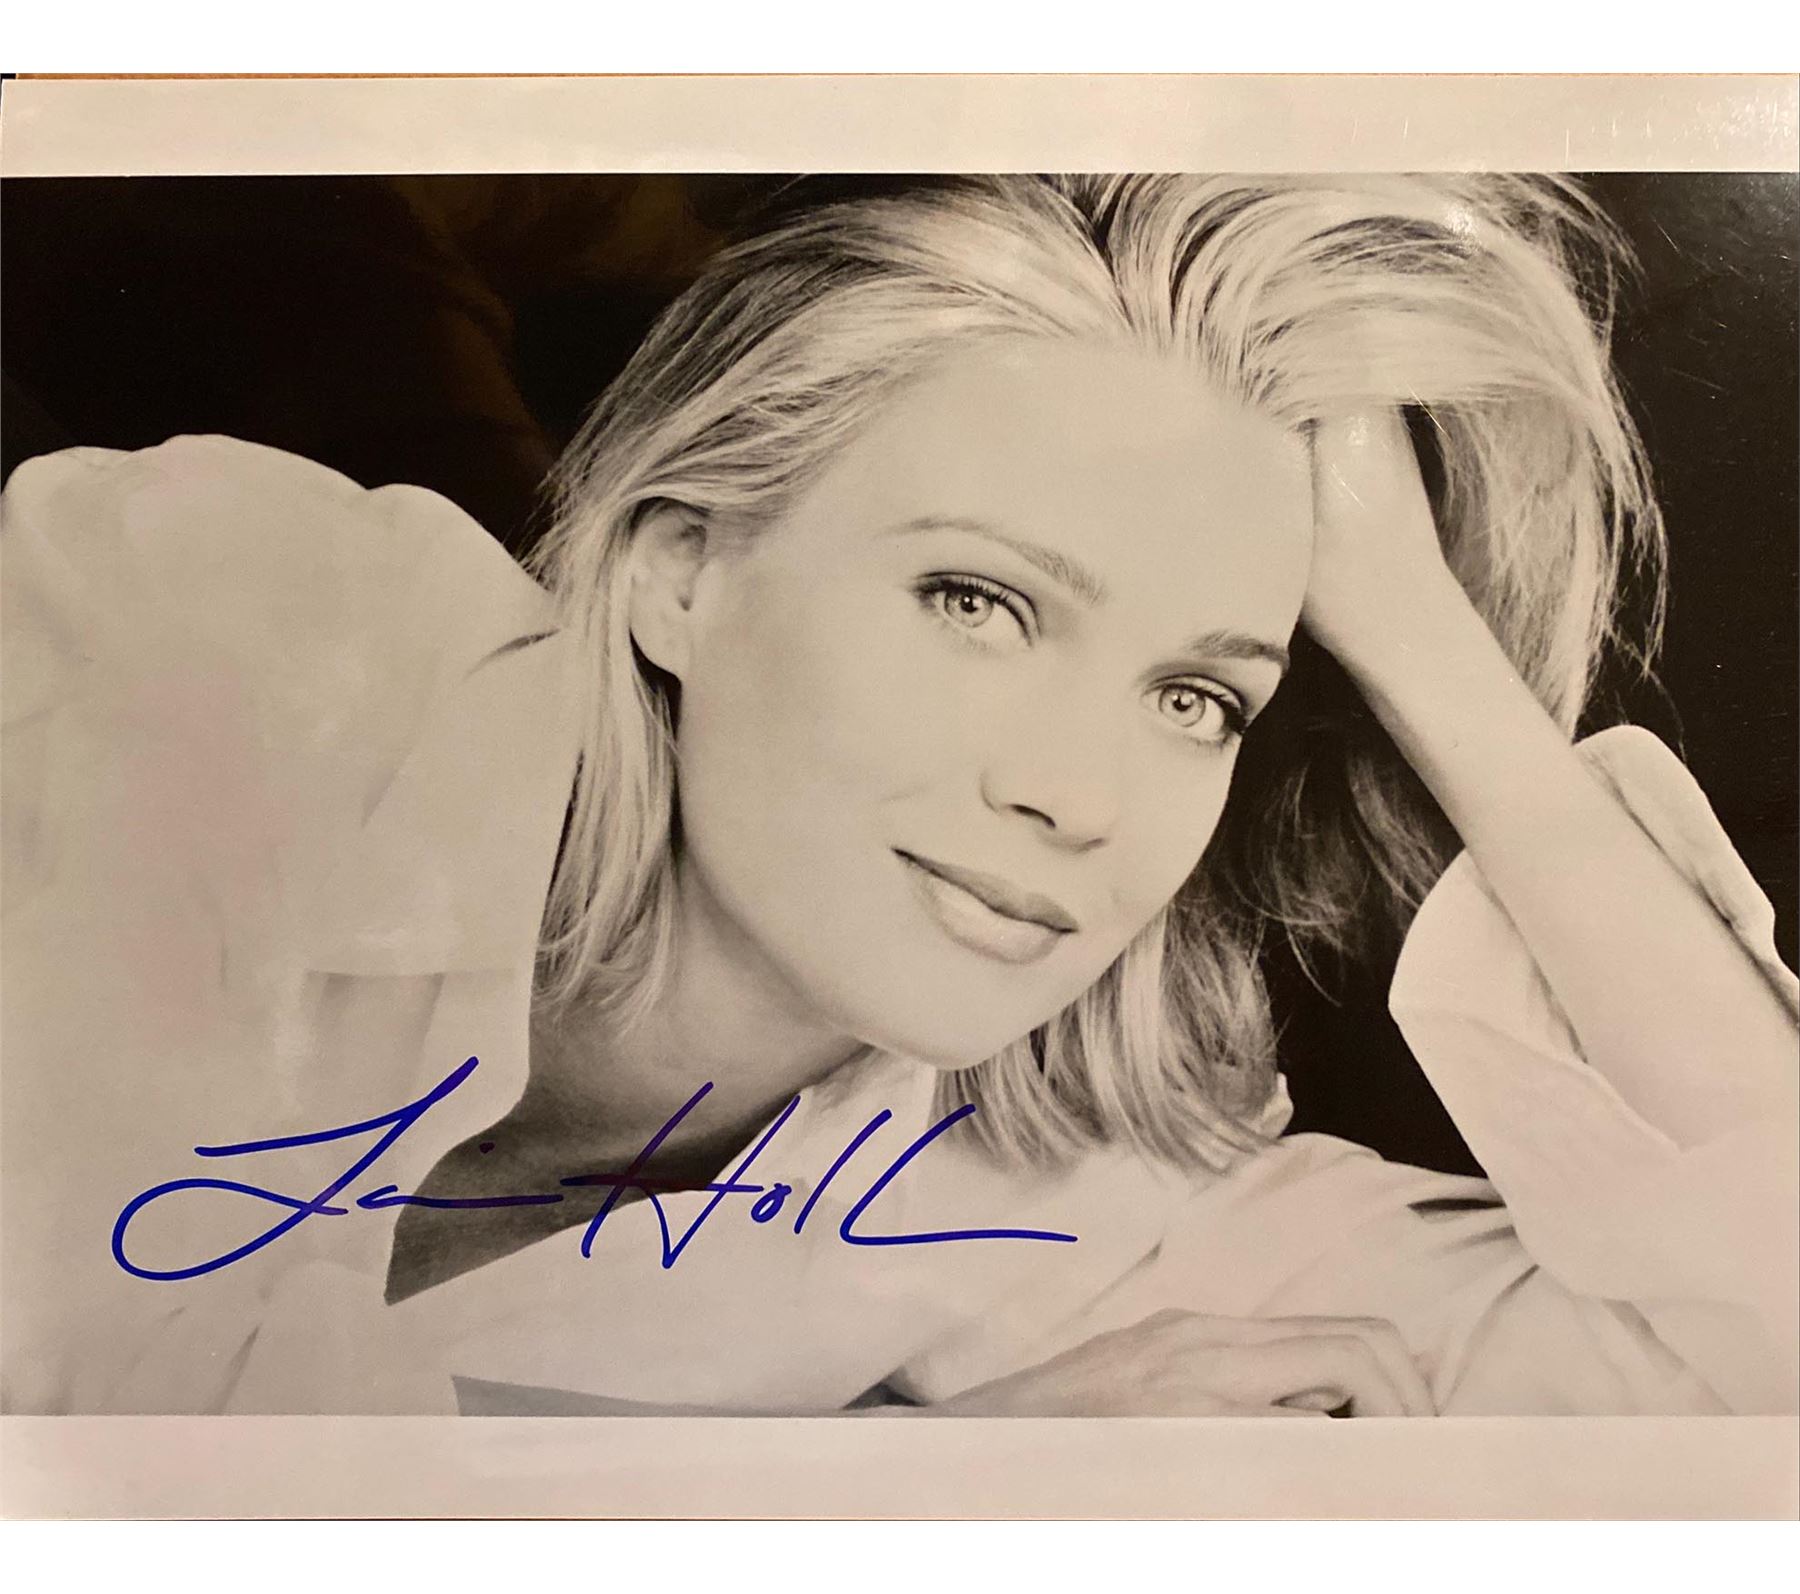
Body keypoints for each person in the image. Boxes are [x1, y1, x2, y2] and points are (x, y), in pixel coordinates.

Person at [2, 173, 1794, 1417]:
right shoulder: (236, 640)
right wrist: (904, 1490)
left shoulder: (1073, 1183)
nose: (1078, 797)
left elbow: (1759, 1372)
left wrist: (1427, 648)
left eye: (1198, 695)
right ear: (681, 568)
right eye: (976, 601)